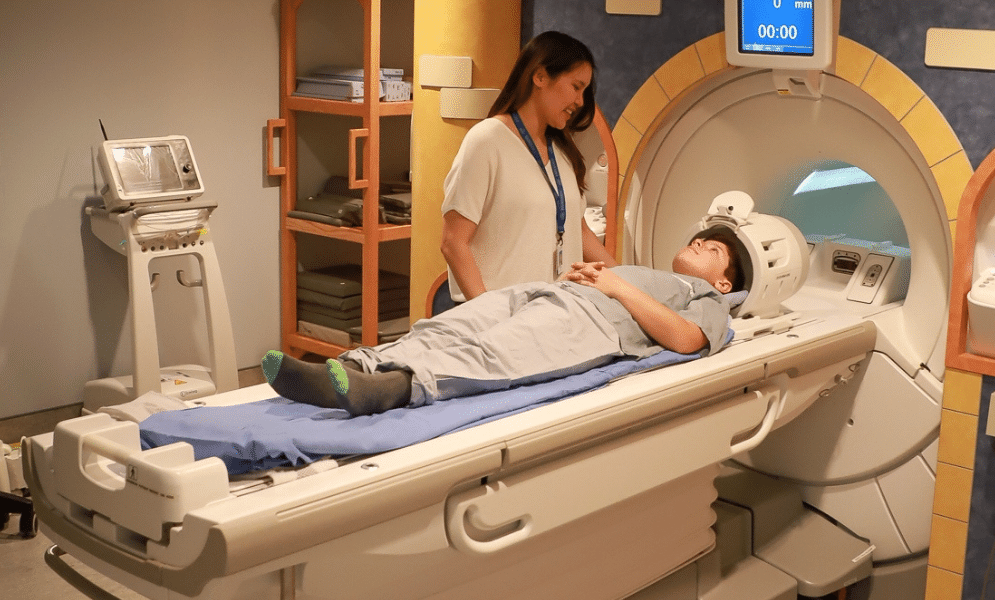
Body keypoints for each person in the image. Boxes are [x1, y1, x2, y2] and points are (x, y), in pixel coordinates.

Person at [262, 229, 745, 416]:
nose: (701, 242)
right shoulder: (653, 273)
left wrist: (616, 286)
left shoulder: (706, 299)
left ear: (725, 283)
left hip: (592, 325)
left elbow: (686, 339)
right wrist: (592, 276)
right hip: (550, 292)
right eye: (701, 238)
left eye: (714, 250)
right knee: (447, 328)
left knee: (494, 353)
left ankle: (390, 389)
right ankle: (353, 366)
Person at [440, 31, 617, 304]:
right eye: (576, 87)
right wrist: (489, 314)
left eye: (585, 91)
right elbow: (453, 242)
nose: (581, 101)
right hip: (500, 316)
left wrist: (628, 284)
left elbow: (578, 231)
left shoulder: (563, 153)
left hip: (554, 312)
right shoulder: (487, 140)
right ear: (540, 76)